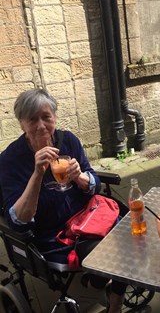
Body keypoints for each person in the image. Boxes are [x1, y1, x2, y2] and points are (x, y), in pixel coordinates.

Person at [0, 88, 126, 313]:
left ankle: (107, 292)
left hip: (89, 220)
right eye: (32, 119)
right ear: (21, 124)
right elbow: (18, 221)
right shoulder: (10, 160)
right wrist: (38, 174)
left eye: (46, 117)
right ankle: (107, 295)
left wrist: (80, 176)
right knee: (112, 250)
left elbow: (93, 183)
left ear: (55, 117)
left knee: (133, 232)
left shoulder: (68, 141)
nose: (41, 126)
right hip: (54, 237)